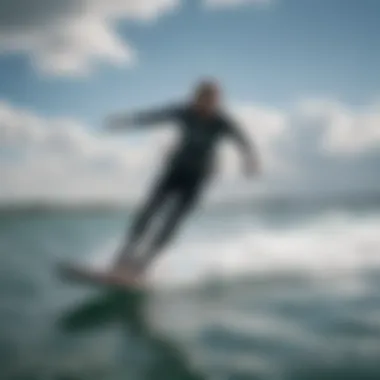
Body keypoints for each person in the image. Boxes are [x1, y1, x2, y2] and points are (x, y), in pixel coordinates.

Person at [105, 79, 260, 277]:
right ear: (196, 98)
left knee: (172, 221)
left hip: (197, 178)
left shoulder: (222, 121)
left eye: (211, 100)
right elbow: (153, 117)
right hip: (174, 171)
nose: (206, 103)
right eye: (202, 99)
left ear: (216, 101)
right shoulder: (185, 112)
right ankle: (122, 259)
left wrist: (249, 160)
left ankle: (143, 265)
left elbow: (243, 140)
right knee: (148, 212)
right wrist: (124, 122)